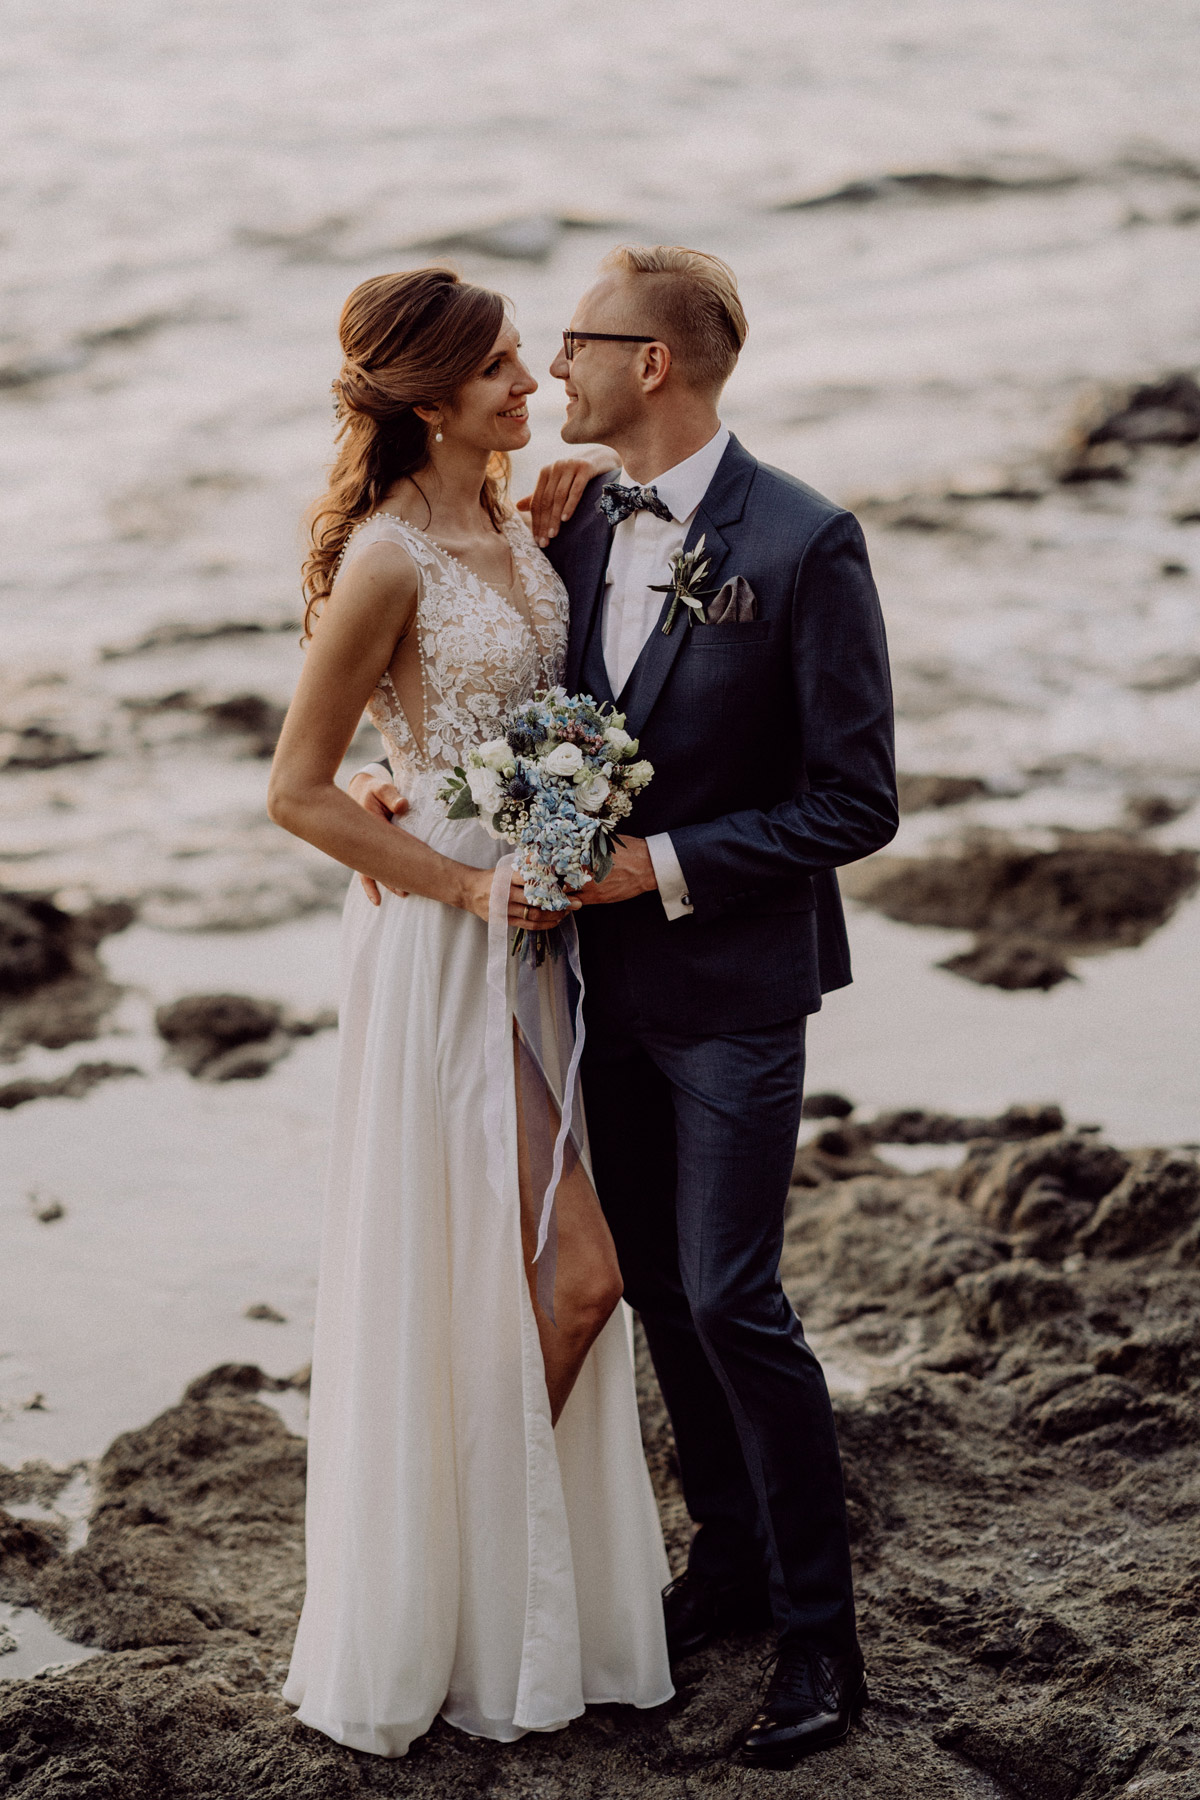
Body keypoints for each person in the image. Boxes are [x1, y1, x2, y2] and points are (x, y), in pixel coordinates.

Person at [353, 245, 898, 1768]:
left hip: (730, 988)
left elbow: (856, 803)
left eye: (574, 343)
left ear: (650, 363)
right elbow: (509, 692)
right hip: (576, 992)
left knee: (732, 1295)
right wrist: (416, 786)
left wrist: (657, 865)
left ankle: (819, 1641)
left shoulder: (803, 543)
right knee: (653, 1286)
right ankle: (723, 1564)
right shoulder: (570, 521)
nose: (550, 374)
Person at [268, 267, 673, 1757]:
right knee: (577, 1279)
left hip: (543, 939)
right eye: (503, 371)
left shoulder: (521, 514)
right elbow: (301, 789)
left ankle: (490, 1585)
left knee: (505, 1280)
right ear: (428, 401)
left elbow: (483, 707)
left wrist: (570, 481)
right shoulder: (385, 559)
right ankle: (441, 1570)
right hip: (452, 950)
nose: (534, 384)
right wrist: (457, 882)